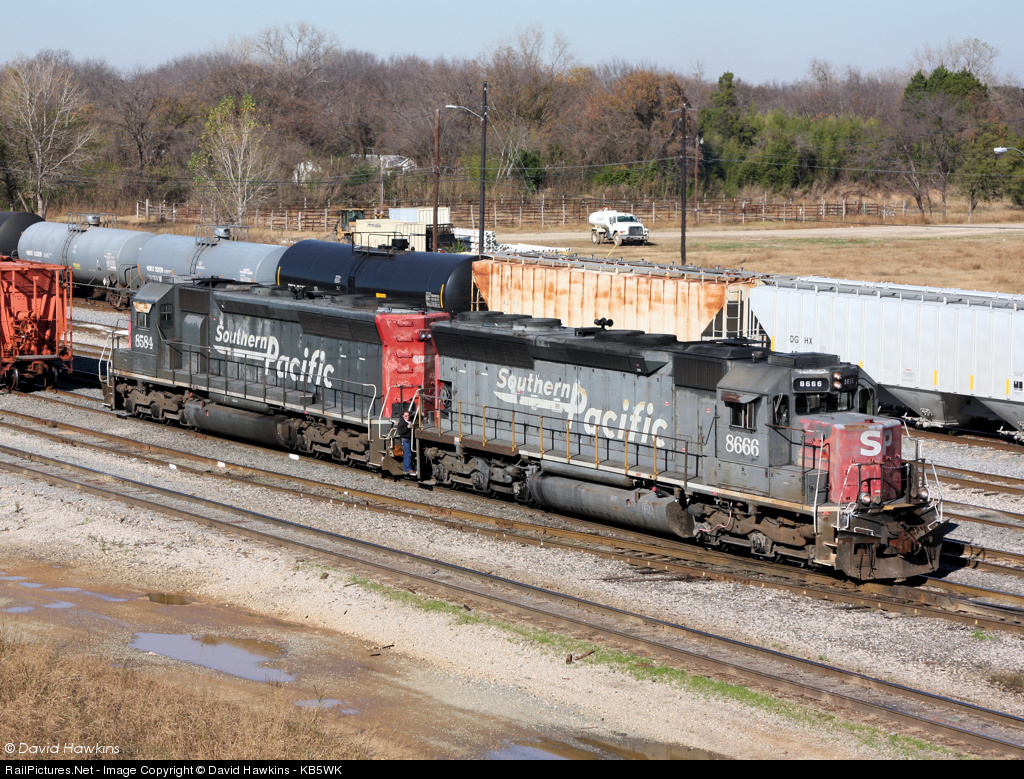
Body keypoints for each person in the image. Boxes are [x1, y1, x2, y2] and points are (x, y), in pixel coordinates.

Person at [396, 410, 414, 475]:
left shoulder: (410, 421)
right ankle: (407, 468)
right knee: (407, 453)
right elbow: (400, 432)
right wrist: (407, 427)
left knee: (409, 453)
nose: (407, 417)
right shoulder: (402, 423)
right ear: (403, 416)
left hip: (410, 439)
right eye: (406, 416)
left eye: (408, 415)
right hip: (405, 439)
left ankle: (409, 467)